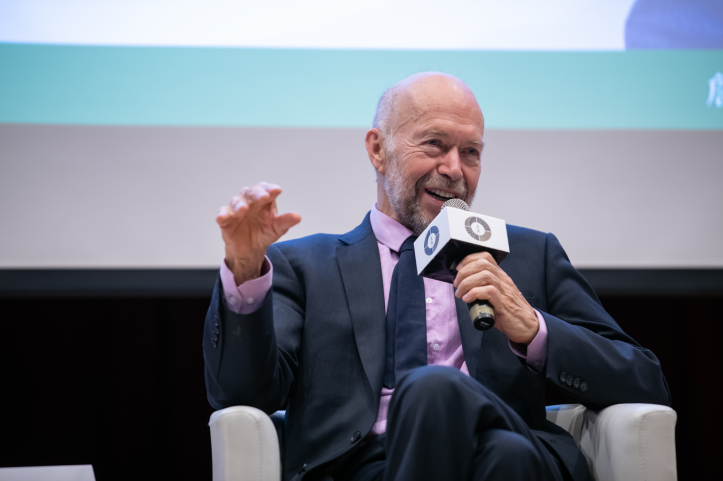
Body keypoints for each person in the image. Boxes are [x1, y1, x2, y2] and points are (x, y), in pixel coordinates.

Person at [203, 73, 670, 481]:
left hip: (521, 449)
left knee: (489, 435)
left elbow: (644, 378)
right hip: (367, 466)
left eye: (471, 152)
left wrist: (535, 330)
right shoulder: (305, 266)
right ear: (377, 149)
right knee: (488, 444)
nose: (453, 169)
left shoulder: (529, 254)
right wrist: (245, 272)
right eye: (434, 144)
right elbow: (242, 394)